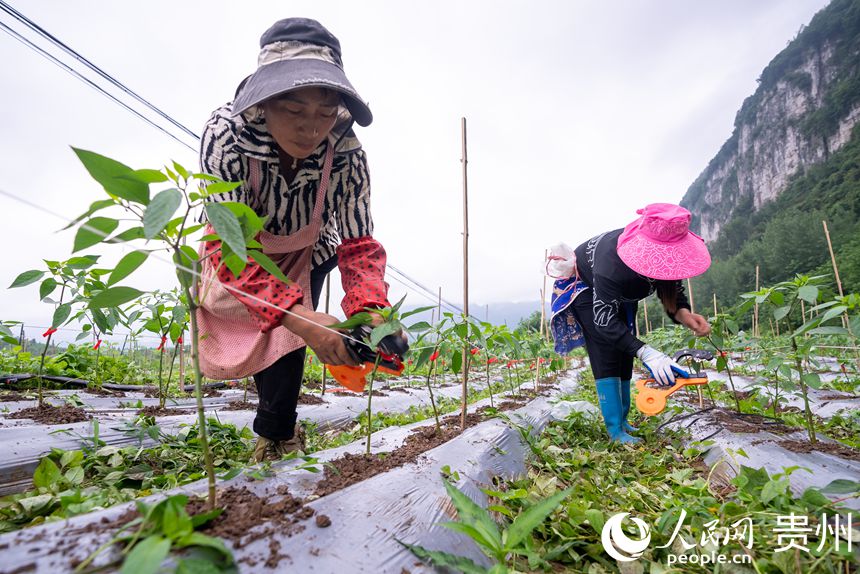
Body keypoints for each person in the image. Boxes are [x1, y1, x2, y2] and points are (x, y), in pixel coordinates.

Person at [195, 18, 391, 462]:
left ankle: (276, 437)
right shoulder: (227, 136)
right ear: (265, 101)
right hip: (241, 250)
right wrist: (300, 317)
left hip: (308, 249)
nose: (311, 128)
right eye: (294, 109)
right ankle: (276, 427)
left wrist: (371, 309)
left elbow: (358, 242)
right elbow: (231, 243)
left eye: (325, 112)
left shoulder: (345, 152)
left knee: (290, 345)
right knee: (292, 324)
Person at [549, 203, 712, 444]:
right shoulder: (612, 264)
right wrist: (648, 353)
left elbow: (673, 292)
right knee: (606, 348)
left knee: (625, 345)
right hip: (586, 288)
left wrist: (686, 316)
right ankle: (615, 430)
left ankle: (624, 420)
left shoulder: (668, 256)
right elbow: (604, 321)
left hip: (624, 292)